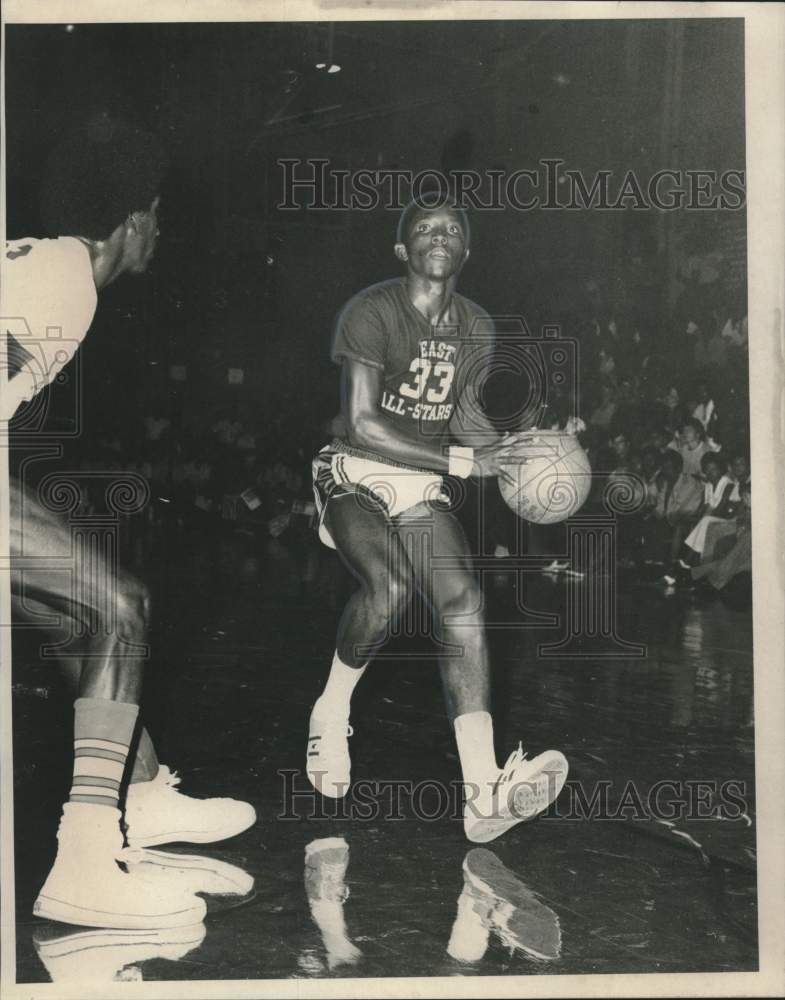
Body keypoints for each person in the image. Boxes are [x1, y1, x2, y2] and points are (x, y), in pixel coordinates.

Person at [3, 121, 255, 929]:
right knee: (121, 606)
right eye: (156, 213)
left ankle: (138, 800)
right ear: (133, 221)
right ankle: (82, 867)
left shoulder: (39, 260)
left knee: (80, 621)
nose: (161, 230)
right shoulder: (67, 278)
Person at [307, 199, 568, 844]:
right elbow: (365, 422)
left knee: (465, 604)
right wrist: (463, 461)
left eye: (452, 229)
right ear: (403, 250)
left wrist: (518, 451)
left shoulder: (476, 325)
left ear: (467, 251)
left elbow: (469, 423)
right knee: (390, 591)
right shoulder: (371, 312)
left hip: (421, 479)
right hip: (353, 469)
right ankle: (331, 708)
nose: (439, 236)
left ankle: (482, 795)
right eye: (424, 228)